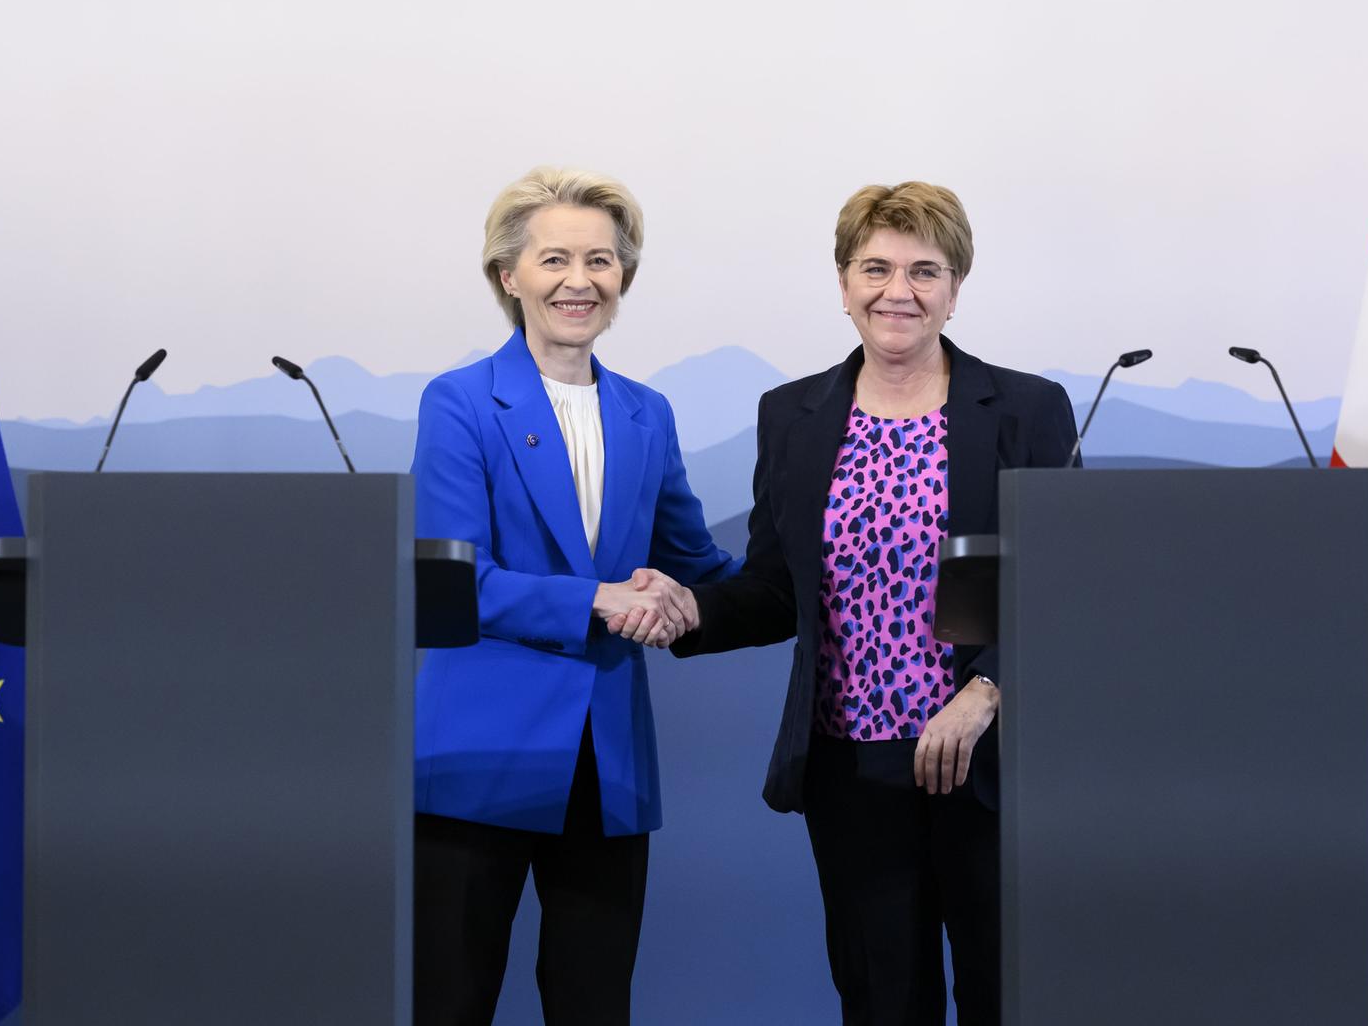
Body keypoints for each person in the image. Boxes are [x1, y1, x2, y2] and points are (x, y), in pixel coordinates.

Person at [650, 181, 1078, 1025]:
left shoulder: (1027, 410)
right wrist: (691, 610)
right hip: (852, 771)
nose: (899, 291)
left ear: (956, 289)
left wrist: (985, 691)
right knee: (883, 1004)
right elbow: (777, 590)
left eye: (926, 271)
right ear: (843, 283)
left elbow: (1062, 584)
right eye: (875, 267)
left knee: (1010, 997)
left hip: (991, 764)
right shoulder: (794, 416)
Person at [409, 166, 736, 1025]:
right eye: (555, 258)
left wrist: (814, 583)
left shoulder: (648, 412)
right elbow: (456, 581)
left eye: (601, 260)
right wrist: (598, 600)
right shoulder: (458, 404)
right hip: (478, 752)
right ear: (507, 275)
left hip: (607, 755)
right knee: (454, 1000)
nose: (579, 280)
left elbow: (694, 559)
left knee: (595, 1004)